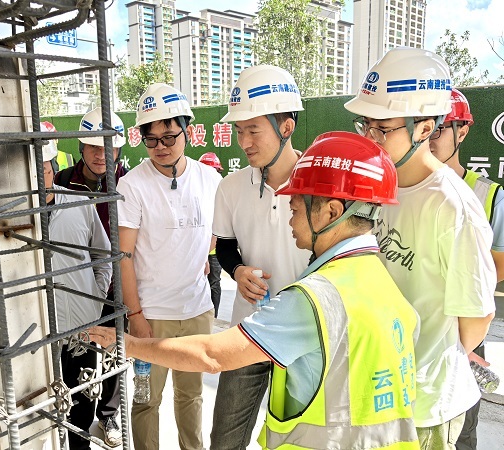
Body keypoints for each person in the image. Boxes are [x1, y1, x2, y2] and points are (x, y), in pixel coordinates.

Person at [90, 131, 422, 450]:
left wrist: (128, 344)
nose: (289, 219)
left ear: (331, 212)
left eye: (295, 208)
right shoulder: (378, 277)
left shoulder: (314, 299)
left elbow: (212, 355)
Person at [344, 47, 496, 449]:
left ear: (425, 127)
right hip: (379, 389)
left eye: (383, 128)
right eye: (366, 126)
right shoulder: (380, 186)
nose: (371, 139)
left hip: (426, 405)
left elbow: (477, 316)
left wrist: (427, 361)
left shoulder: (452, 206)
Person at [209, 64, 311, 449]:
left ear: (286, 126)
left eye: (253, 130)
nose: (244, 142)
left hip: (306, 337)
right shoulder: (230, 187)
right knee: (225, 440)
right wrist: (237, 271)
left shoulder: (319, 183)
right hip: (249, 328)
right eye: (239, 131)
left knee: (299, 441)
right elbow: (225, 245)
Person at [116, 83, 222, 450]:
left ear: (187, 131)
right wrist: (135, 315)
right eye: (151, 139)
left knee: (191, 396)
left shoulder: (210, 179)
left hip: (196, 310)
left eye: (169, 137)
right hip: (152, 314)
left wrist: (202, 257)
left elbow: (217, 232)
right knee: (146, 399)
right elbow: (124, 256)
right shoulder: (132, 185)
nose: (161, 146)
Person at [428, 88, 504, 450]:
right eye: (423, 126)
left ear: (463, 131)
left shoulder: (487, 194)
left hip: (466, 328)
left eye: (439, 128)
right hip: (414, 330)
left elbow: (499, 264)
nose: (429, 137)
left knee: (461, 429)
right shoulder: (402, 190)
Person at [53, 107, 126, 447]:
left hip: (116, 282)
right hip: (75, 288)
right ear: (81, 147)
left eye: (109, 147)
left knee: (111, 352)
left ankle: (108, 414)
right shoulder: (62, 182)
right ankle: (67, 419)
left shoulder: (127, 183)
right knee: (72, 359)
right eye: (94, 147)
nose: (101, 155)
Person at [41, 122, 113, 450]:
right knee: (45, 400)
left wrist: (96, 297)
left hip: (83, 324)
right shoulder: (14, 215)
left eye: (43, 170)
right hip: (40, 332)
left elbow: (103, 254)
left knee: (83, 397)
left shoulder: (78, 202)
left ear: (53, 169)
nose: (38, 178)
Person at [198, 152, 224, 317]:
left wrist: (206, 254)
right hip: (197, 249)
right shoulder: (193, 191)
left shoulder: (222, 193)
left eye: (214, 171)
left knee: (214, 283)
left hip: (214, 251)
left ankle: (213, 318)